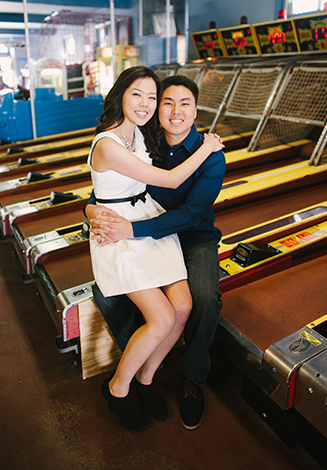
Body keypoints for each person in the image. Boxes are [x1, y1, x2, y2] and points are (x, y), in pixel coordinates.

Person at [87, 66, 224, 431]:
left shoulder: (209, 155)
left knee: (194, 303)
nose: (169, 109)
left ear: (196, 111)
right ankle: (121, 386)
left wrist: (209, 147)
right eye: (153, 99)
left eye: (184, 104)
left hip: (189, 233)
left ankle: (178, 377)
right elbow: (109, 187)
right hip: (134, 230)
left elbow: (192, 213)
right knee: (156, 314)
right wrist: (90, 208)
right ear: (121, 95)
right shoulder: (148, 141)